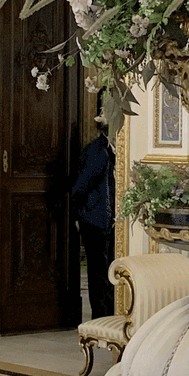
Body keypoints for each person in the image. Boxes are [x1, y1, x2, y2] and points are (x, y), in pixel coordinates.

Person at [68, 120, 116, 320]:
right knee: (99, 274)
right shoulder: (98, 152)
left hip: (104, 221)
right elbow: (81, 187)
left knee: (106, 273)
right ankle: (100, 319)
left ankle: (108, 317)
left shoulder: (108, 150)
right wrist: (81, 214)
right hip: (95, 222)